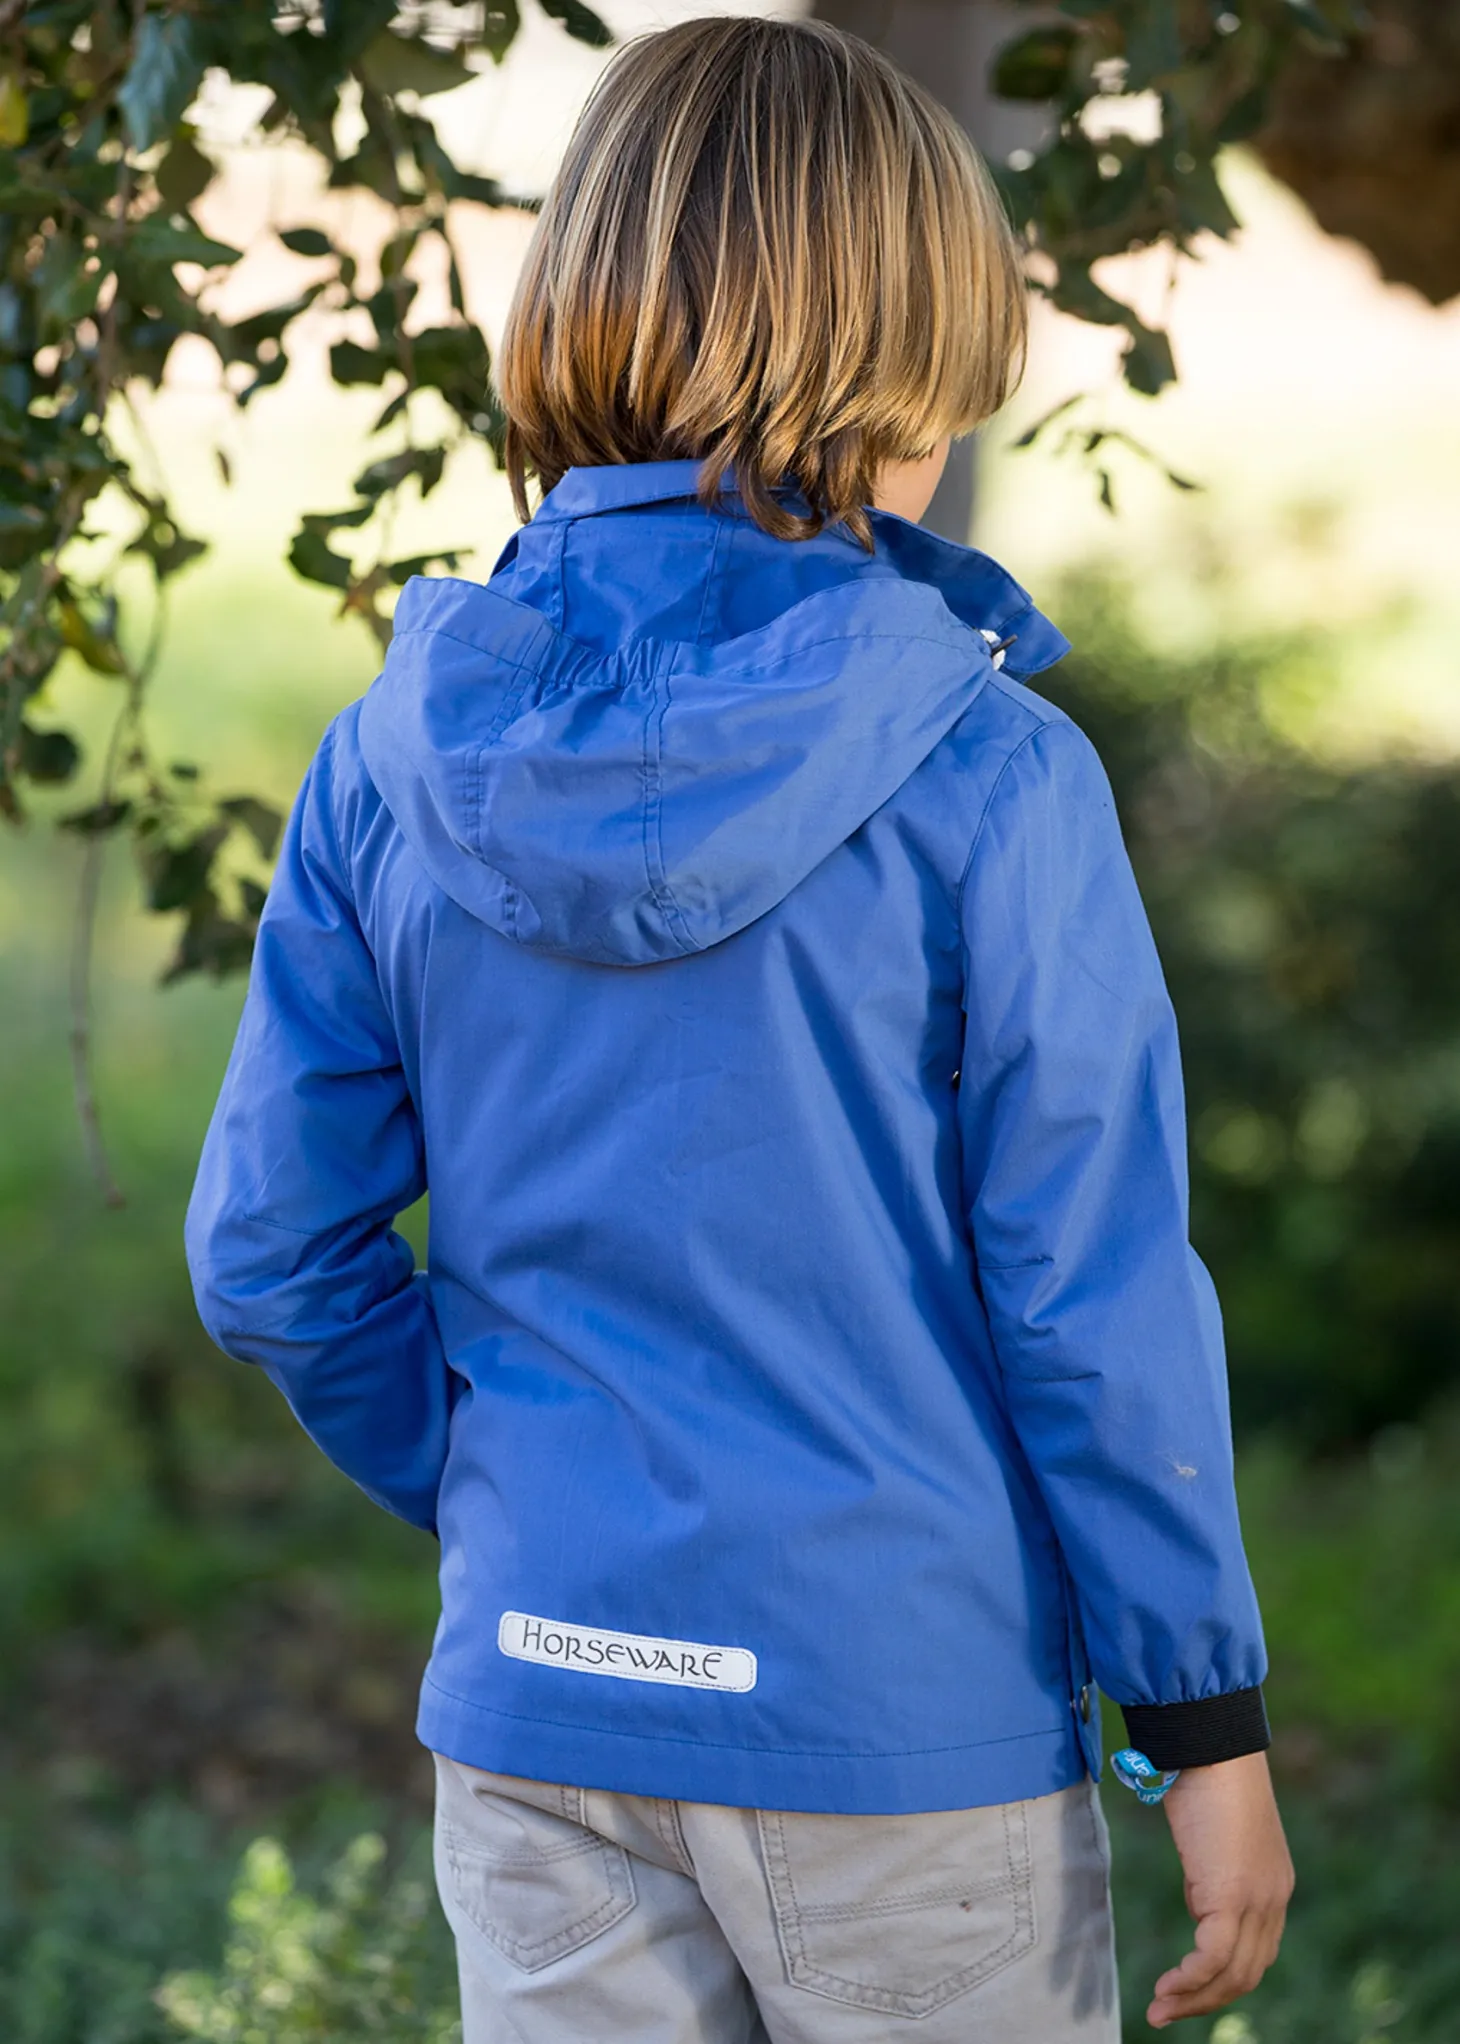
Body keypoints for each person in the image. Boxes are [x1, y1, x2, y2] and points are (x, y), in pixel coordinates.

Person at [185, 15, 1293, 2041]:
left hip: (539, 1713)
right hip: (903, 1724)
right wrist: (1198, 1718)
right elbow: (1089, 1292)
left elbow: (271, 1253)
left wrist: (521, 1486)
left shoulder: (384, 759)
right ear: (900, 369)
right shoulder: (992, 777)